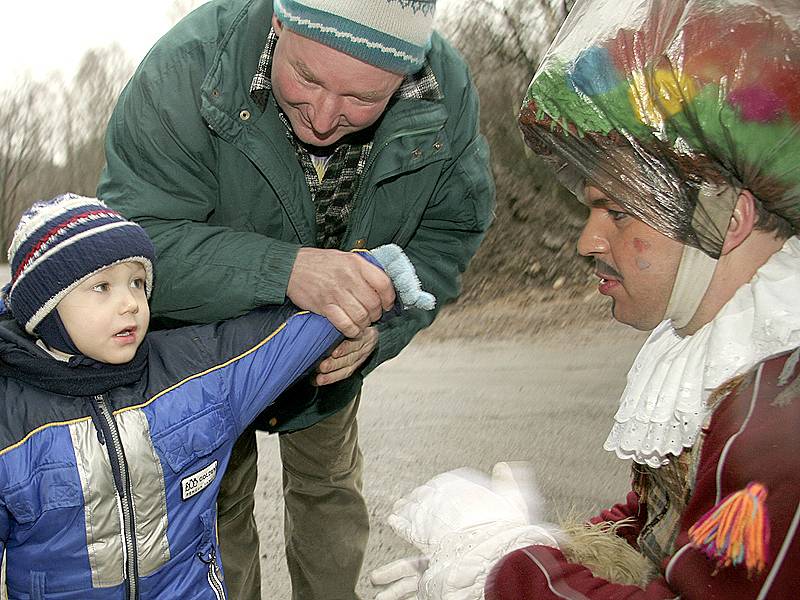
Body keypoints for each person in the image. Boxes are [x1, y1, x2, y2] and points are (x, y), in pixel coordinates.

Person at [370, 1, 800, 598]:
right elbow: (659, 534)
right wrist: (535, 550)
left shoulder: (781, 414)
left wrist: (507, 567)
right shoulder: (729, 360)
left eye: (619, 211)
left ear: (727, 218)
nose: (587, 240)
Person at [97, 0, 494, 597]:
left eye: (363, 99)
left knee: (327, 490)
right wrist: (286, 270)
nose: (326, 116)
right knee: (213, 507)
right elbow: (134, 244)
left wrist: (376, 331)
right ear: (279, 25)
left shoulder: (444, 95)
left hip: (329, 354)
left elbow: (447, 236)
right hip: (197, 352)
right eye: (307, 78)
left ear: (406, 77)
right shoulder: (188, 69)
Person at [0, 193, 432, 599]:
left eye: (136, 282)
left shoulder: (193, 371)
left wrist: (373, 275)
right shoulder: (9, 414)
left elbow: (280, 338)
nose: (131, 303)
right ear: (45, 307)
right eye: (102, 287)